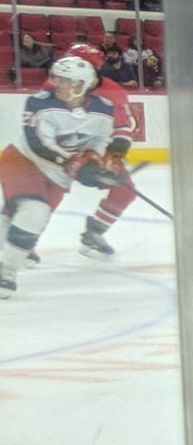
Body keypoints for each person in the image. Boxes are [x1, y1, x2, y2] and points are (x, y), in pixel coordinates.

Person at [2, 55, 132, 296]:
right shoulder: (38, 103)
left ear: (79, 85)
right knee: (33, 211)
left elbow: (100, 139)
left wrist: (95, 159)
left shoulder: (103, 108)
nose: (53, 83)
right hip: (23, 161)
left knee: (22, 217)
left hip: (58, 173)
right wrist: (75, 165)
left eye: (61, 79)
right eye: (55, 77)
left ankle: (10, 258)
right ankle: (6, 271)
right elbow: (38, 143)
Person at [49, 42, 139, 257]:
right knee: (45, 198)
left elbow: (122, 126)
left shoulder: (112, 91)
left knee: (125, 190)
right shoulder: (53, 87)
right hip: (59, 151)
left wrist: (115, 153)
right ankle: (23, 242)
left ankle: (94, 233)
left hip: (96, 149)